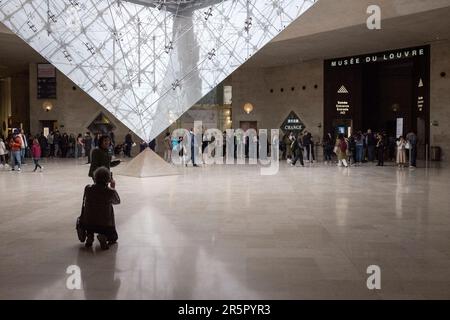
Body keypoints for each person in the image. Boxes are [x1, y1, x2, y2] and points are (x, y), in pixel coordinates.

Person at [79, 167, 120, 250]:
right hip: (104, 224)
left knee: (92, 211)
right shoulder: (110, 191)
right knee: (113, 237)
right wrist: (113, 187)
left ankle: (90, 235)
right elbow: (117, 201)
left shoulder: (88, 188)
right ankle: (103, 236)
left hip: (88, 222)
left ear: (95, 177)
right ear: (108, 179)